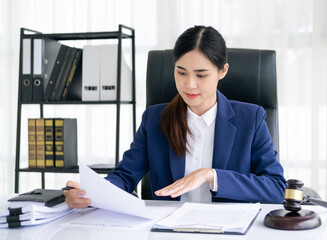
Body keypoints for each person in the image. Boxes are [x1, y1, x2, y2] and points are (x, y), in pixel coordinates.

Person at [64, 26, 286, 208]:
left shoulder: (251, 119)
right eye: (181, 72)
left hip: (228, 230)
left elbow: (276, 188)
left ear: (222, 71)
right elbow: (124, 177)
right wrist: (91, 194)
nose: (189, 84)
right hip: (167, 229)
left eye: (201, 75)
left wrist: (212, 176)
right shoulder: (155, 119)